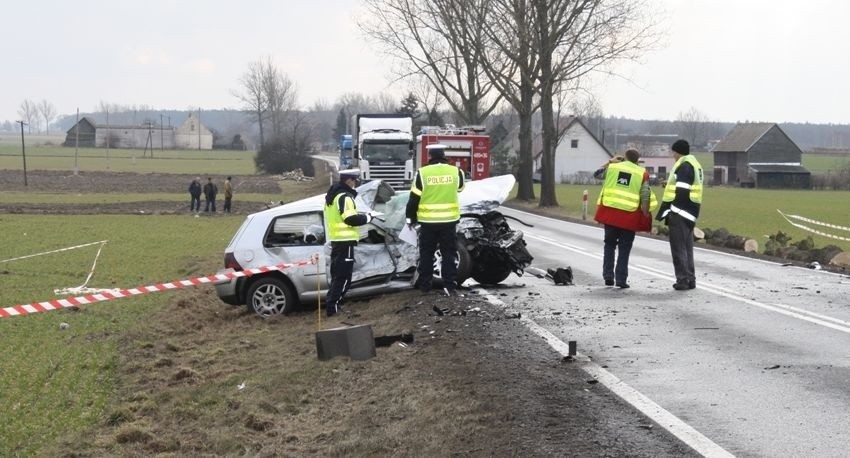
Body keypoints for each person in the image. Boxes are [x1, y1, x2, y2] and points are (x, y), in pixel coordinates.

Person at [406, 144, 465, 296]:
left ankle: (425, 286)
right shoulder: (456, 171)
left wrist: (409, 218)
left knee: (426, 254)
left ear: (430, 156)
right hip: (449, 222)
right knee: (448, 254)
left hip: (427, 223)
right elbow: (460, 188)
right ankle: (449, 286)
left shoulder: (422, 173)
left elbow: (413, 198)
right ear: (444, 155)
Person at [593, 149, 657, 289]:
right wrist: (645, 214)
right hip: (629, 216)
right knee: (625, 248)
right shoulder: (642, 173)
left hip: (610, 213)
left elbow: (596, 174)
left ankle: (608, 276)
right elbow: (645, 195)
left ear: (625, 158)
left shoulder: (612, 168)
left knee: (609, 245)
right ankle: (621, 280)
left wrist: (610, 162)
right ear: (637, 160)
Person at [323, 169, 378, 317]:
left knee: (336, 276)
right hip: (345, 242)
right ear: (349, 181)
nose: (355, 184)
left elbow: (343, 217)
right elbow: (350, 219)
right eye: (355, 181)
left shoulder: (332, 196)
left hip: (337, 241)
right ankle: (333, 308)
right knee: (344, 277)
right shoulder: (345, 197)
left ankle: (332, 306)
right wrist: (368, 217)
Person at [656, 139, 704, 290]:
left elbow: (683, 190)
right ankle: (690, 279)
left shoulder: (684, 165)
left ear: (677, 152)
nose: (672, 155)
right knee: (687, 248)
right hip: (691, 212)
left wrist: (674, 209)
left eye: (673, 152)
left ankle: (682, 280)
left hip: (680, 212)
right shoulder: (694, 164)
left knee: (678, 248)